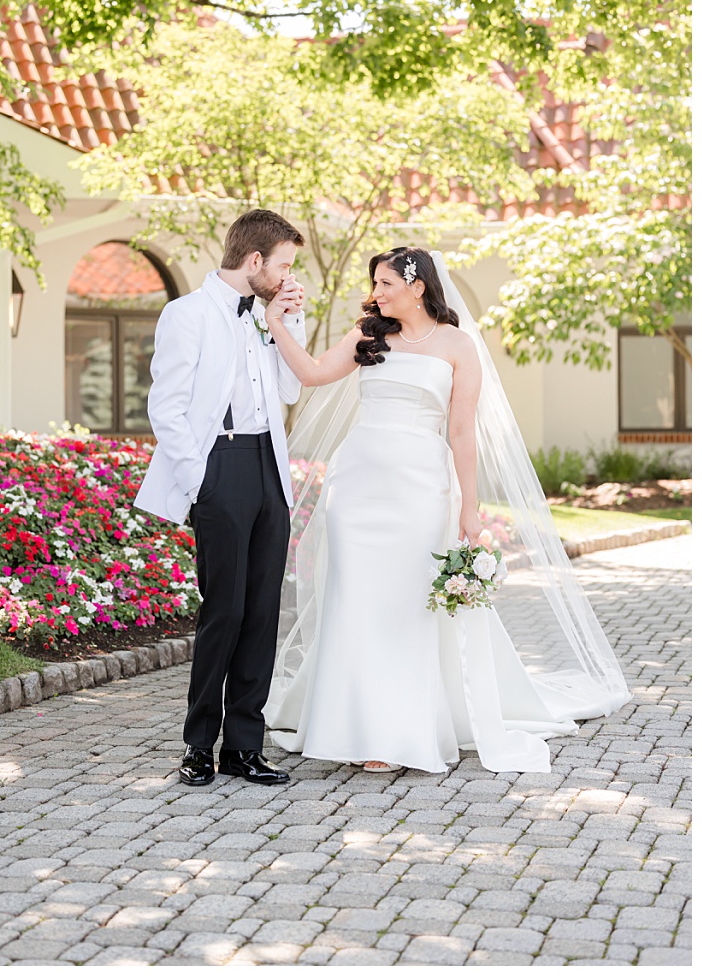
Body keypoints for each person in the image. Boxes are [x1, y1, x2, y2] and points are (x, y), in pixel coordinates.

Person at [264, 247, 630, 773]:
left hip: (421, 487)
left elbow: (461, 431)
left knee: (406, 603)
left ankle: (397, 730)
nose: (377, 292)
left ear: (417, 286)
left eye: (387, 282)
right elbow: (316, 372)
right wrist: (277, 324)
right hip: (358, 483)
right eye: (376, 283)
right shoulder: (370, 334)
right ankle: (347, 722)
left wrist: (470, 511)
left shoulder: (458, 344)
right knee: (354, 597)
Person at [134, 209, 308, 787]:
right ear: (255, 261)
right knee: (224, 612)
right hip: (221, 466)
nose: (287, 276)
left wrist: (291, 320)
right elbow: (167, 406)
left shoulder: (266, 315)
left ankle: (244, 748)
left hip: (268, 468)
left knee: (262, 615)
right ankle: (198, 745)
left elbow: (290, 387)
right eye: (283, 266)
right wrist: (200, 478)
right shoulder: (185, 315)